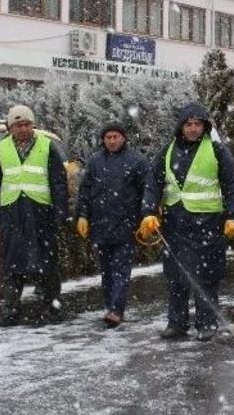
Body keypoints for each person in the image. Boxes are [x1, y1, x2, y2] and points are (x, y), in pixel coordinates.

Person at [139, 102, 234, 342]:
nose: (194, 129)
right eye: (189, 124)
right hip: (175, 223)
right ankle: (177, 323)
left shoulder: (217, 151)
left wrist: (233, 216)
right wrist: (148, 212)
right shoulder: (167, 151)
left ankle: (207, 324)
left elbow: (233, 184)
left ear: (205, 126)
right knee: (176, 275)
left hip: (208, 223)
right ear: (181, 126)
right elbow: (152, 184)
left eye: (198, 124)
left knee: (206, 275)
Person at [0, 105, 70, 327]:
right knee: (12, 264)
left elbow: (59, 183)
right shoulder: (1, 149)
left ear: (33, 125)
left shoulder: (47, 147)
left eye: (27, 124)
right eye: (18, 125)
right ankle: (11, 309)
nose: (23, 129)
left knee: (47, 262)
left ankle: (52, 307)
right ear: (10, 128)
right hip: (12, 213)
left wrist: (61, 212)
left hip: (41, 212)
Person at [76, 123, 148, 328]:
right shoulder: (96, 162)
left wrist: (146, 216)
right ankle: (110, 306)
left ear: (123, 138)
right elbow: (85, 191)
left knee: (121, 270)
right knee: (106, 270)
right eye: (108, 137)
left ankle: (116, 309)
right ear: (103, 140)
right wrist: (82, 215)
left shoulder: (137, 162)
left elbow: (147, 191)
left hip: (126, 226)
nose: (112, 141)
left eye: (116, 136)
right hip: (101, 226)